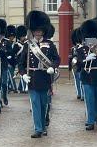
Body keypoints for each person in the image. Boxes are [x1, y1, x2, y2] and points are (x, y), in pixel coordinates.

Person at [19, 10, 60, 138]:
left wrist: (52, 67)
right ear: (32, 30)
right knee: (35, 104)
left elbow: (57, 59)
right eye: (36, 30)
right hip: (32, 78)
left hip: (45, 77)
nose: (38, 33)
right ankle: (38, 129)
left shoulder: (49, 44)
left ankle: (43, 126)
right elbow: (21, 63)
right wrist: (23, 74)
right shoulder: (28, 45)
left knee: (44, 104)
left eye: (40, 31)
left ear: (43, 30)